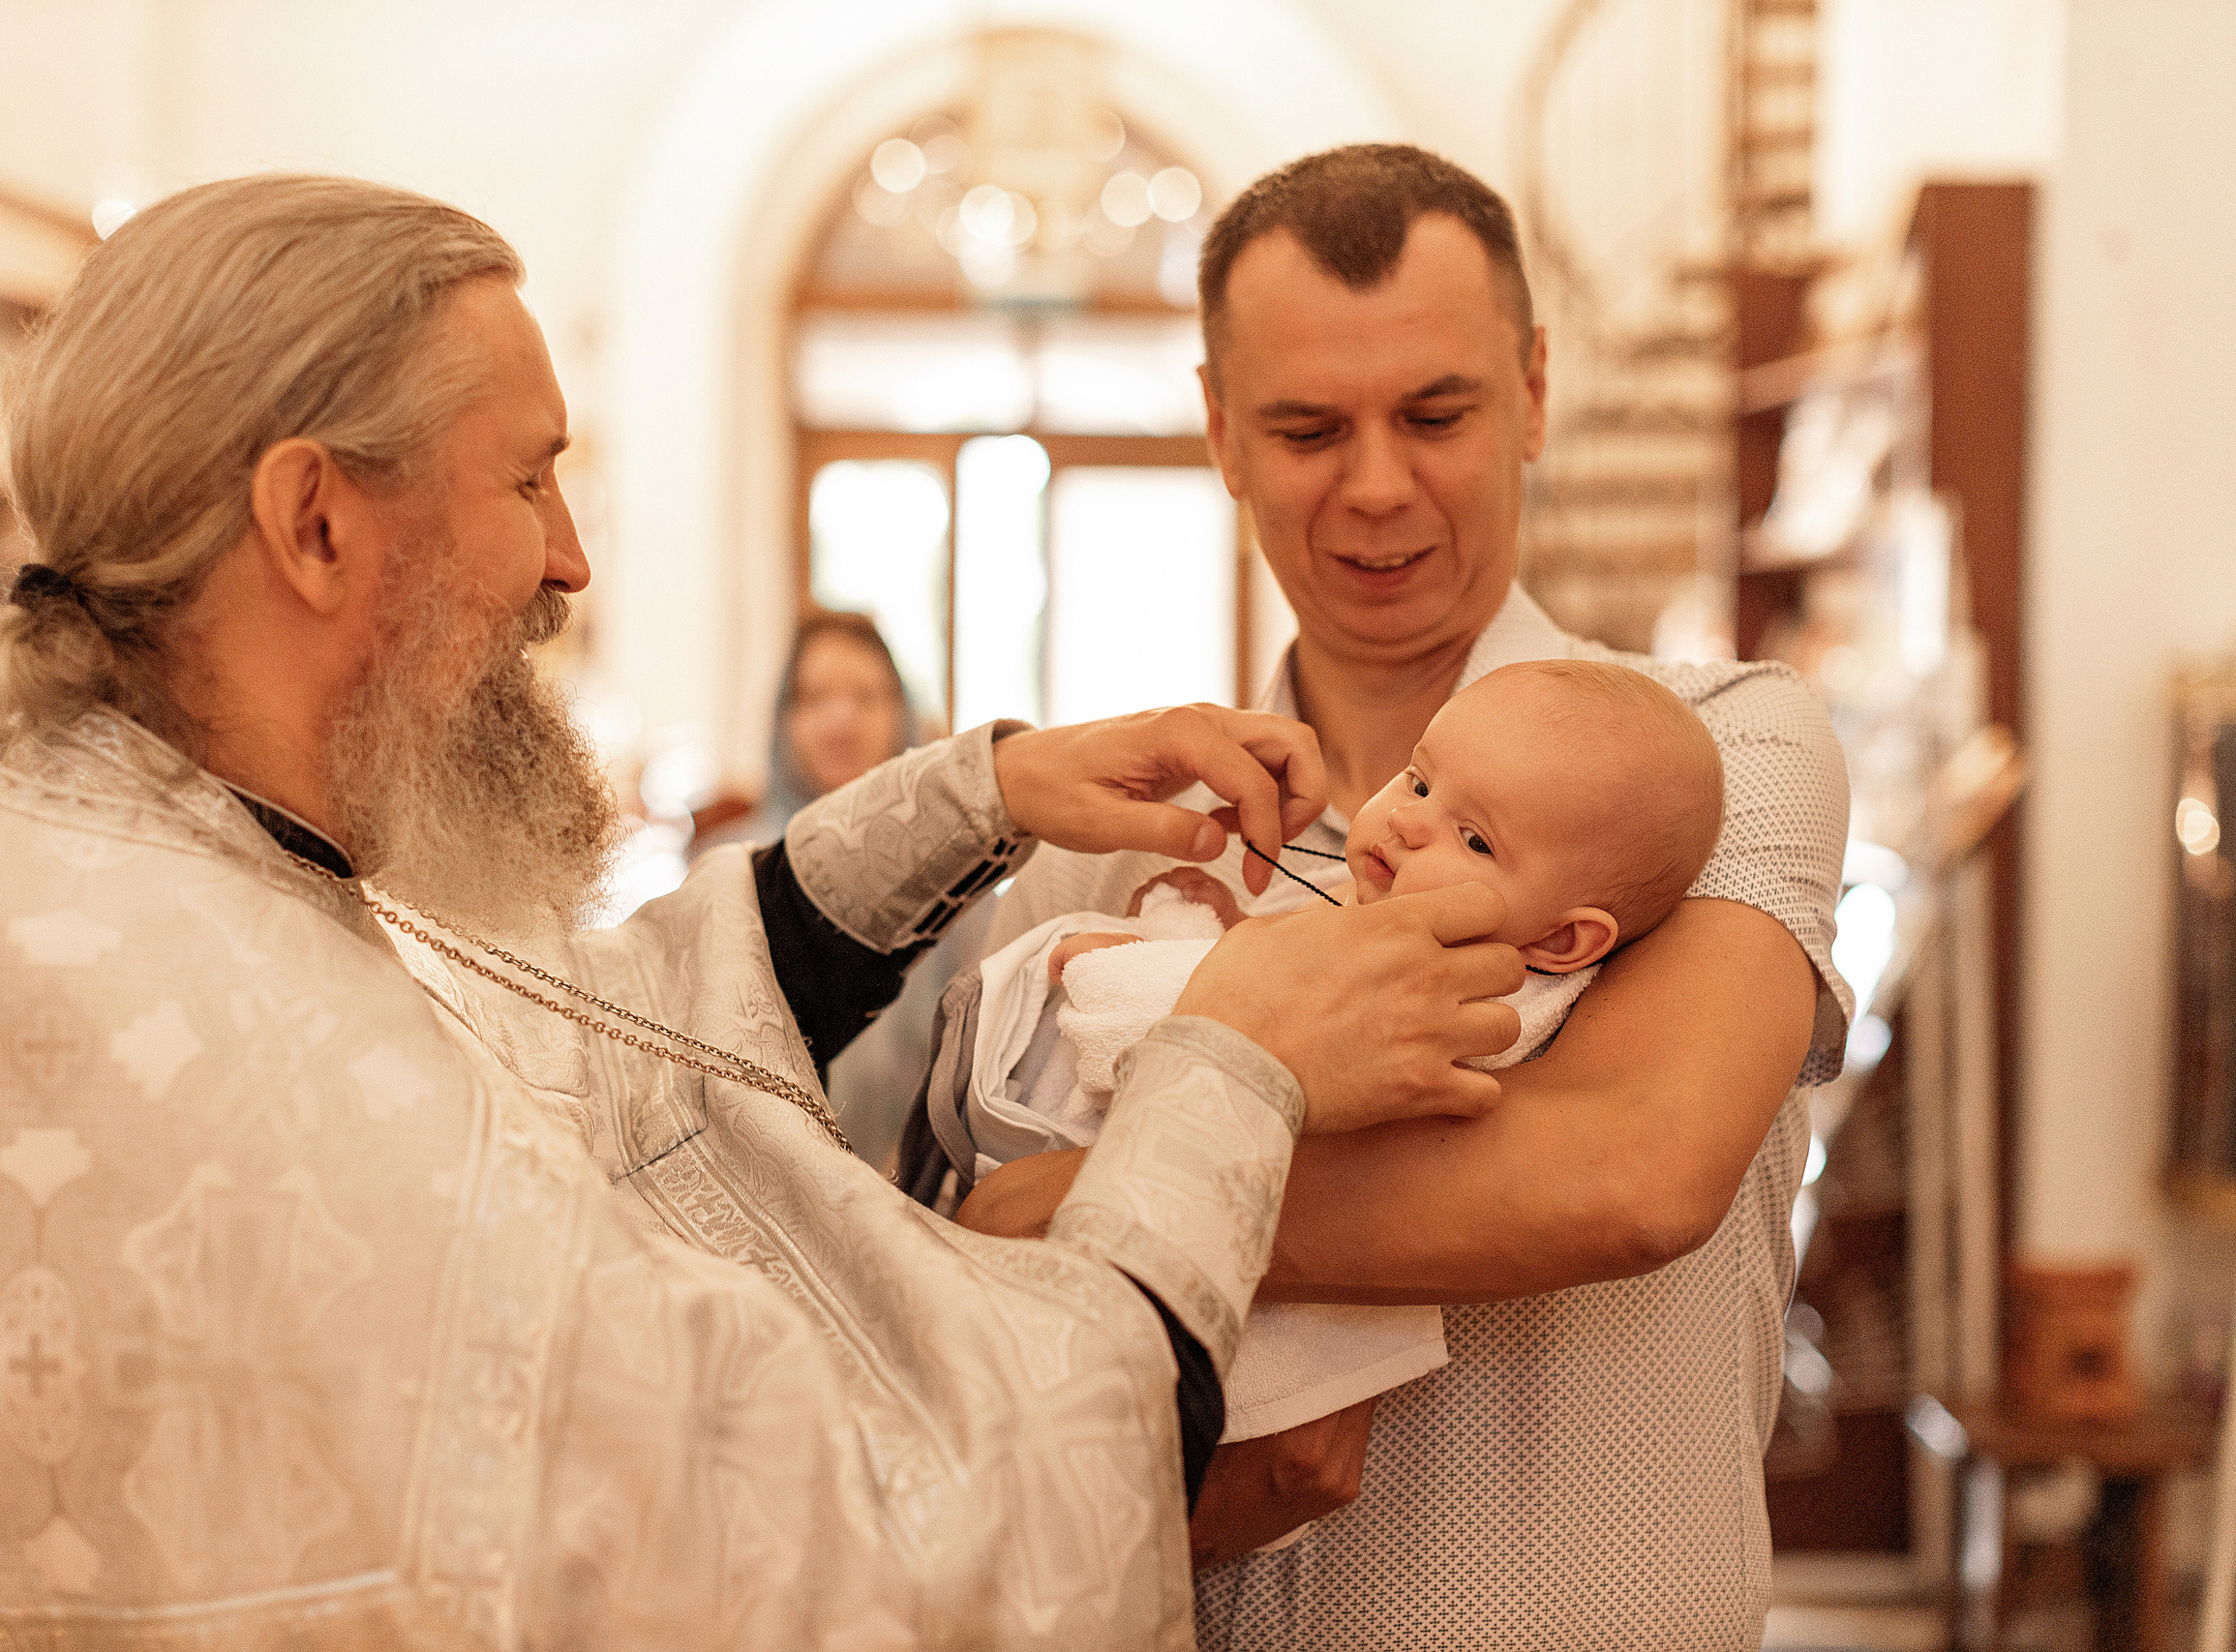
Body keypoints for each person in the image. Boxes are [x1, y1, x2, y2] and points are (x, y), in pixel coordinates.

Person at [0, 174, 1533, 1649]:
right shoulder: (278, 1085)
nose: (570, 558)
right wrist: (1226, 1060)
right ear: (313, 520)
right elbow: (952, 1535)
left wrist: (971, 797)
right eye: (529, 475)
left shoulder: (72, 895)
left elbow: (563, 1046)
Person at [952, 144, 1854, 1647]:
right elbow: (979, 1329)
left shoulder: (1716, 753)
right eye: (1308, 427)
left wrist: (1082, 1206)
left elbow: (1630, 1170)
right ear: (1222, 434)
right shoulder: (1113, 845)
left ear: (1538, 394)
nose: (1379, 485)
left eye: (1438, 413)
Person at [905, 660, 1726, 1500]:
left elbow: (1190, 1034)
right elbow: (1276, 998)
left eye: (1474, 839)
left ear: (1562, 942)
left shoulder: (1486, 998)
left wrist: (1127, 969)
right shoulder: (1395, 920)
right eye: (1418, 780)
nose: (1408, 824)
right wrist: (1214, 926)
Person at [702, 610, 984, 1168]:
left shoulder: (959, 871)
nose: (841, 718)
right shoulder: (732, 868)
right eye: (815, 696)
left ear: (901, 714)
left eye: (866, 696)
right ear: (784, 718)